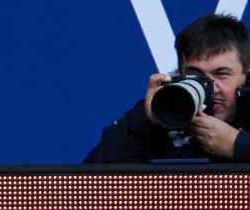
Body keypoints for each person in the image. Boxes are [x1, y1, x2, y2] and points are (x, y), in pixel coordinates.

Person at [85, 13, 250, 162]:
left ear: (246, 75)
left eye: (222, 74)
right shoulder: (166, 110)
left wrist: (236, 145)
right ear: (179, 73)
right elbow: (90, 184)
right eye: (196, 75)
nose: (212, 88)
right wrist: (146, 120)